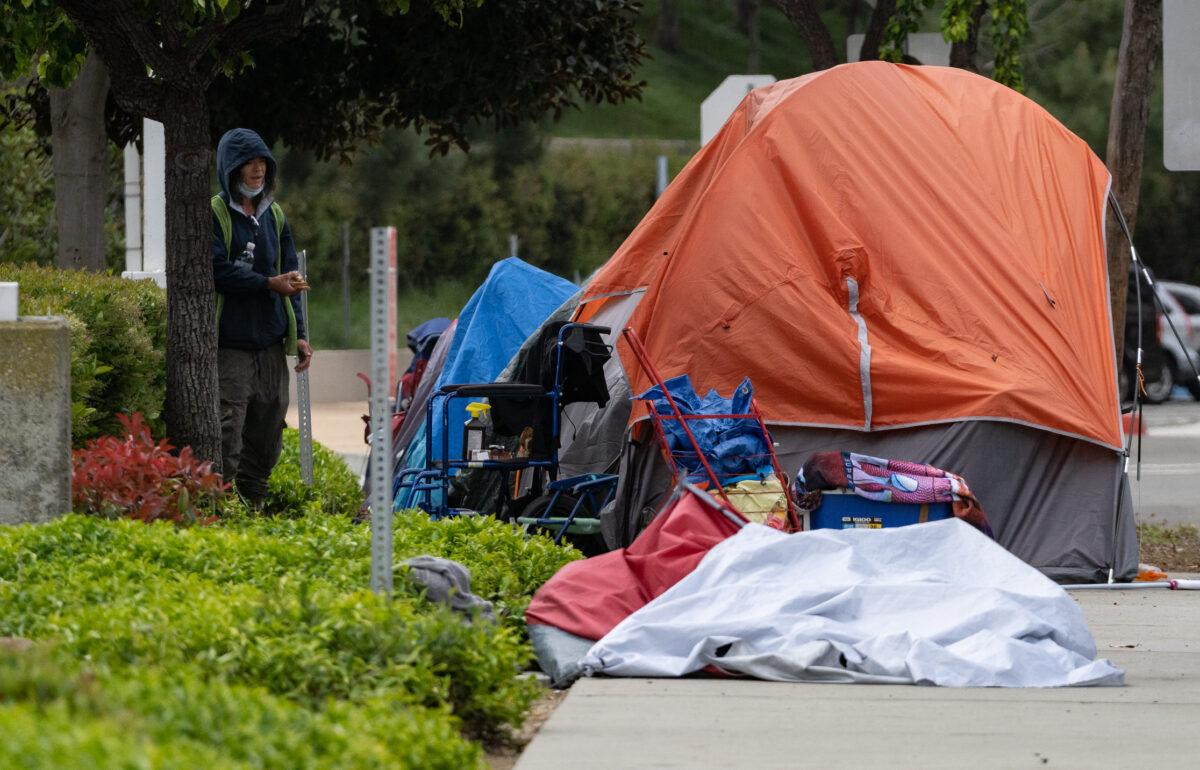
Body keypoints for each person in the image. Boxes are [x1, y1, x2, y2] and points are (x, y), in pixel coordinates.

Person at [211, 127, 313, 505]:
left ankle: (252, 503)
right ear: (231, 169)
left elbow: (292, 277)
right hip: (231, 342)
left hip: (271, 339)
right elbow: (216, 269)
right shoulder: (216, 212)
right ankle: (220, 507)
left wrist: (300, 334)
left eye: (262, 164)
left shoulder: (275, 214)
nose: (256, 170)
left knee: (270, 425)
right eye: (248, 164)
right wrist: (269, 283)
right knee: (227, 427)